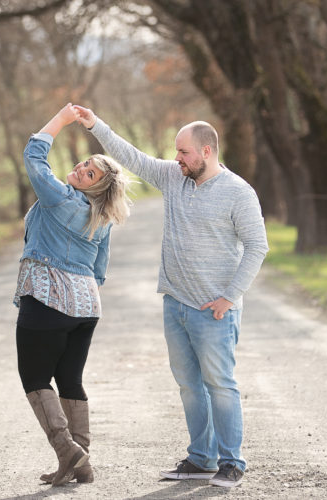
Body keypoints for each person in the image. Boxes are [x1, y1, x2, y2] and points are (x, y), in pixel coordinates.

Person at [72, 104, 269, 490]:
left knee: (220, 384)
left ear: (207, 152)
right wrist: (95, 125)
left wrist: (230, 297)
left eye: (183, 152)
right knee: (189, 385)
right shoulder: (172, 177)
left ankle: (232, 462)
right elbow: (130, 156)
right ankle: (201, 458)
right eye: (176, 152)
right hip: (175, 303)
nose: (176, 158)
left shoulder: (237, 192)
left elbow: (258, 246)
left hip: (214, 311)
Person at [15, 103, 131, 486]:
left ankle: (69, 451)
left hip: (48, 298)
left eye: (90, 173)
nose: (81, 170)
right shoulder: (101, 217)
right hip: (86, 308)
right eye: (84, 164)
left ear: (94, 186)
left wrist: (62, 120)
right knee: (69, 378)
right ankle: (82, 464)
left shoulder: (61, 198)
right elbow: (100, 269)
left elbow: (34, 154)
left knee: (34, 376)